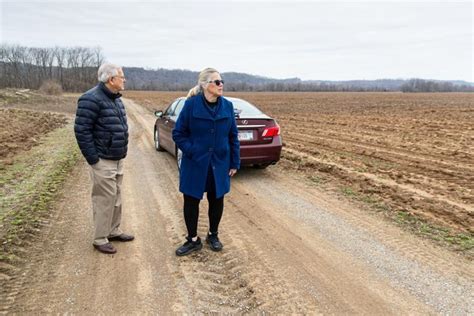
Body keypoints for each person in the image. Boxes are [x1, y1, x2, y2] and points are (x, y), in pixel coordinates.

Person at [172, 67, 240, 256]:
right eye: (217, 82)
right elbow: (178, 133)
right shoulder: (191, 105)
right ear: (205, 85)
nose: (221, 85)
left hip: (219, 163)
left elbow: (233, 136)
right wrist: (193, 150)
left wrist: (234, 162)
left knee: (217, 199)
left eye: (222, 81)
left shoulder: (227, 106)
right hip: (195, 163)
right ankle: (193, 240)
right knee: (191, 200)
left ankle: (213, 234)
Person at [74, 63, 134, 254]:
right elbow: (81, 131)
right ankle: (100, 239)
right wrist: (94, 159)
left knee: (116, 197)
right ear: (111, 79)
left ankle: (113, 230)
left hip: (117, 158)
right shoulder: (90, 99)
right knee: (104, 199)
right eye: (121, 77)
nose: (124, 80)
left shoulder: (115, 99)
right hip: (102, 160)